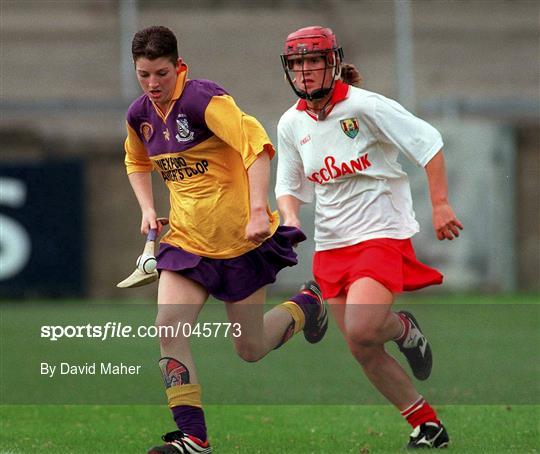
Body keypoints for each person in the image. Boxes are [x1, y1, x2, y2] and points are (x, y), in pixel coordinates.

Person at [124, 25, 328, 454]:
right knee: (168, 329)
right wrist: (146, 208)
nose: (153, 85)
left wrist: (258, 209)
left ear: (178, 66)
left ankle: (308, 306)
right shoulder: (140, 115)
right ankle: (194, 437)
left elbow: (257, 146)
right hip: (187, 243)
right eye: (144, 75)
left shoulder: (203, 100)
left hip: (240, 241)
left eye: (161, 73)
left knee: (250, 348)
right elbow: (135, 160)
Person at [276, 26, 463, 449]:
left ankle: (402, 330)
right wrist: (289, 219)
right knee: (361, 348)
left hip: (381, 235)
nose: (305, 71)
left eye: (313, 61)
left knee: (363, 326)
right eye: (297, 63)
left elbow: (428, 144)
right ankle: (427, 426)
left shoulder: (364, 106)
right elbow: (289, 185)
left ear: (333, 63)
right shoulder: (291, 123)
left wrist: (440, 204)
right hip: (331, 245)